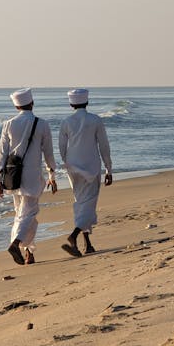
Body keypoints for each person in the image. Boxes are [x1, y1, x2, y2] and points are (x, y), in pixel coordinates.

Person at [0, 88, 57, 265]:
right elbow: (48, 154)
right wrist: (52, 174)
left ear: (16, 107)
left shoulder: (9, 124)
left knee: (22, 215)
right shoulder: (42, 124)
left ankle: (29, 252)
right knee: (28, 214)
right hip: (31, 176)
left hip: (12, 176)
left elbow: (2, 154)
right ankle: (15, 243)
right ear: (32, 103)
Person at [59, 88, 112, 257]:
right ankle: (74, 235)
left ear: (71, 104)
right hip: (91, 166)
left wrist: (67, 163)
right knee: (88, 204)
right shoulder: (95, 120)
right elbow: (103, 146)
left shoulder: (67, 122)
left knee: (81, 203)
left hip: (73, 168)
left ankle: (87, 244)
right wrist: (108, 168)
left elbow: (61, 147)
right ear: (87, 102)